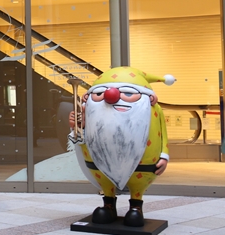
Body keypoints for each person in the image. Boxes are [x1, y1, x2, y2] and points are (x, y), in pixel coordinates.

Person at [69, 67, 174, 226]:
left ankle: (136, 207)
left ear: (150, 98)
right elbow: (81, 136)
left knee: (137, 185)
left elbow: (163, 133)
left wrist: (164, 155)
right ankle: (109, 205)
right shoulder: (87, 110)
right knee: (106, 183)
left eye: (128, 94)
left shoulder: (154, 110)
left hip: (143, 164)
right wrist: (77, 126)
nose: (112, 96)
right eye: (100, 94)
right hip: (98, 163)